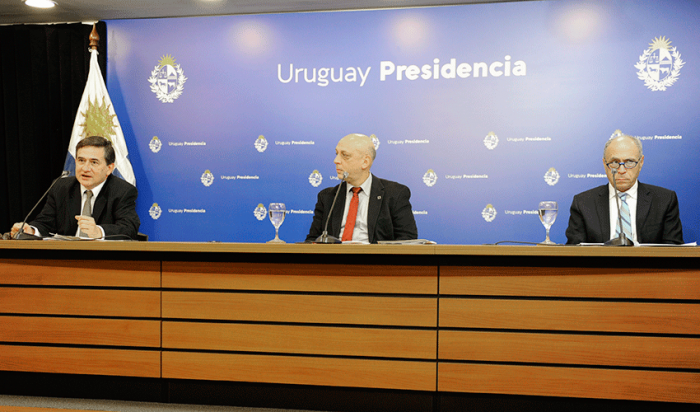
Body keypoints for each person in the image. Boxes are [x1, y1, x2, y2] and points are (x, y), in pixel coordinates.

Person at [11, 135, 140, 240]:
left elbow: (129, 228)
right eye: (81, 160)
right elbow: (45, 222)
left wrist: (98, 231)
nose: (85, 168)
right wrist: (32, 230)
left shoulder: (122, 191)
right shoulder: (61, 186)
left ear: (109, 168)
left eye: (94, 162)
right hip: (66, 260)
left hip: (104, 262)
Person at [565, 133, 683, 244]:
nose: (621, 170)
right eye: (614, 162)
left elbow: (674, 250)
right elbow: (574, 252)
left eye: (629, 162)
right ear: (604, 164)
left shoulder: (664, 200)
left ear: (641, 162)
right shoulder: (583, 203)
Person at [306, 133, 417, 244]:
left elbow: (407, 240)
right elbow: (312, 240)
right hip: (334, 259)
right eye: (336, 154)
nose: (336, 160)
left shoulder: (395, 194)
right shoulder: (327, 197)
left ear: (365, 162)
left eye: (345, 155)